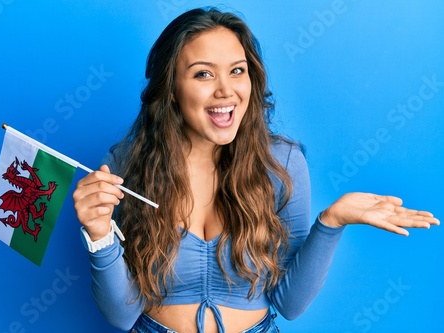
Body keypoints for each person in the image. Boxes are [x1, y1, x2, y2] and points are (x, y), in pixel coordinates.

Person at [72, 7, 439, 333]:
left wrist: (331, 222)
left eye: (237, 71)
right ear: (171, 89)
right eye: (203, 74)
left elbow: (289, 304)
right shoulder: (126, 166)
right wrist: (99, 234)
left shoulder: (282, 165)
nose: (226, 90)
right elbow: (121, 315)